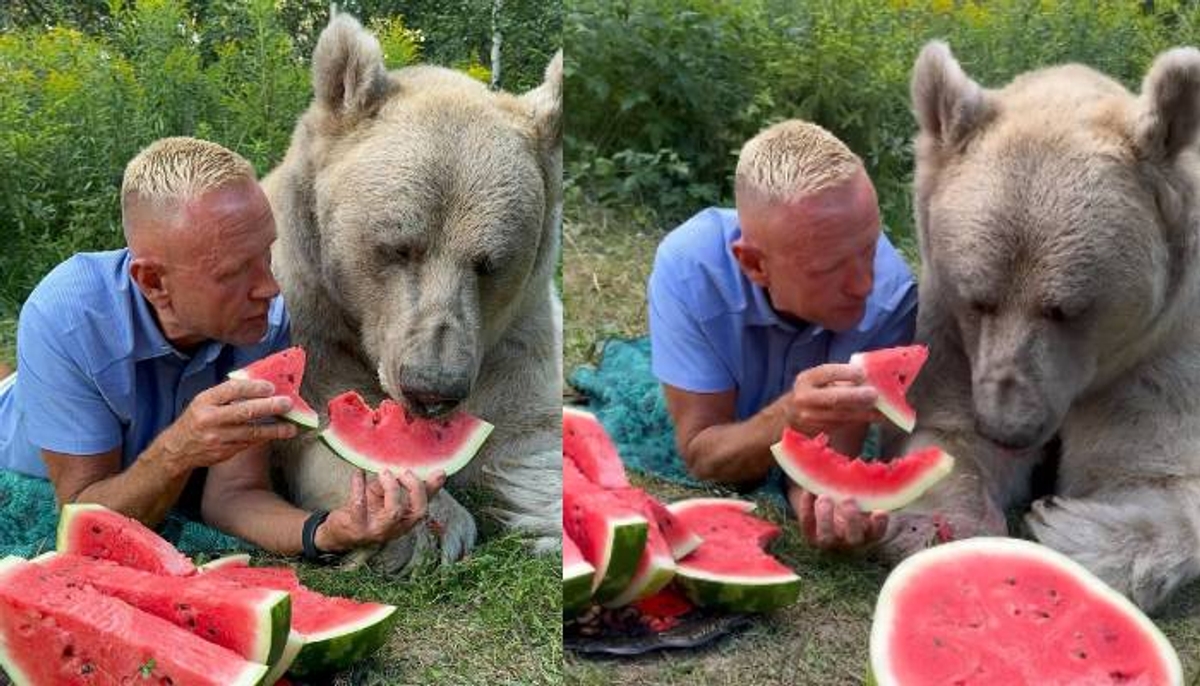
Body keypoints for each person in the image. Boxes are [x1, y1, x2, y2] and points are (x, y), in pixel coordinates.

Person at [0, 137, 442, 561]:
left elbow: (234, 495)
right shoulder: (66, 317)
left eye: (266, 254)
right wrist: (179, 448)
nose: (269, 288)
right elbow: (81, 516)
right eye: (235, 273)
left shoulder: (263, 322)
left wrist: (327, 530)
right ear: (154, 282)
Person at [647, 120, 917, 551]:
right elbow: (702, 452)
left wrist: (819, 499)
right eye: (829, 269)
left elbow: (825, 461)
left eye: (870, 247)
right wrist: (792, 413)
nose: (865, 284)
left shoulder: (894, 294)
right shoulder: (688, 271)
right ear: (754, 265)